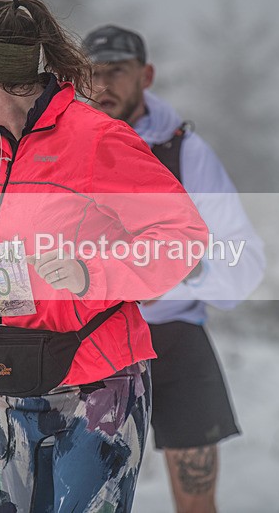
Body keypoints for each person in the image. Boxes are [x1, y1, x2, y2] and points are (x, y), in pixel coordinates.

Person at [0, 0, 208, 512]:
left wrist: (92, 274)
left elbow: (183, 238)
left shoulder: (96, 140)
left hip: (98, 387)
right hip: (10, 381)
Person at [83, 25, 266, 513]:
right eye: (92, 73)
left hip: (175, 339)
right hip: (94, 348)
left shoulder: (187, 152)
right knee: (85, 502)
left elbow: (244, 258)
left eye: (117, 71)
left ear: (146, 75)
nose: (102, 86)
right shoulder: (66, 148)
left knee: (196, 501)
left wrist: (178, 273)